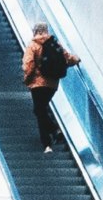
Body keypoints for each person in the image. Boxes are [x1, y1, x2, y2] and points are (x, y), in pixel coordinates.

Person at [21, 21, 80, 151]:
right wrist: (76, 59)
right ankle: (54, 132)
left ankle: (47, 142)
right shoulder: (54, 44)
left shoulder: (33, 45)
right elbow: (67, 58)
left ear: (35, 31)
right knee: (40, 109)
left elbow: (28, 65)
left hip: (37, 84)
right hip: (52, 84)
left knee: (39, 110)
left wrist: (26, 80)